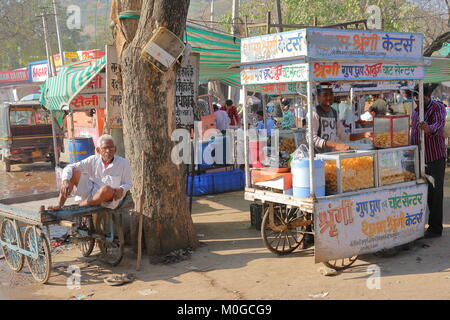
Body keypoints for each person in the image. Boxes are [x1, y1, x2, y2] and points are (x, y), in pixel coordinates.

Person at [49, 134, 132, 211]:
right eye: (105, 148)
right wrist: (65, 181)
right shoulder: (93, 160)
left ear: (115, 149)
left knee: (106, 189)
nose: (108, 151)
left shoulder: (123, 163)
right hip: (92, 192)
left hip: (110, 198)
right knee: (73, 172)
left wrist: (121, 189)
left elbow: (128, 183)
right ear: (98, 150)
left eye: (111, 148)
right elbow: (70, 167)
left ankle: (81, 205)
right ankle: (59, 205)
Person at [410, 84, 446, 238]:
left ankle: (435, 228)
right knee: (421, 192)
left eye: (420, 96)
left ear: (428, 95)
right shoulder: (416, 110)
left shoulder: (437, 107)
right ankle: (419, 225)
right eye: (415, 97)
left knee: (435, 193)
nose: (417, 100)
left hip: (434, 157)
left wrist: (428, 128)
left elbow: (438, 126)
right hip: (418, 157)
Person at [308, 83, 372, 153]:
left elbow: (344, 137)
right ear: (318, 98)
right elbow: (312, 139)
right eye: (325, 95)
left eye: (331, 94)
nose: (329, 97)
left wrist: (364, 135)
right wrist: (335, 145)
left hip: (330, 156)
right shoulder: (314, 113)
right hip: (316, 158)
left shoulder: (334, 112)